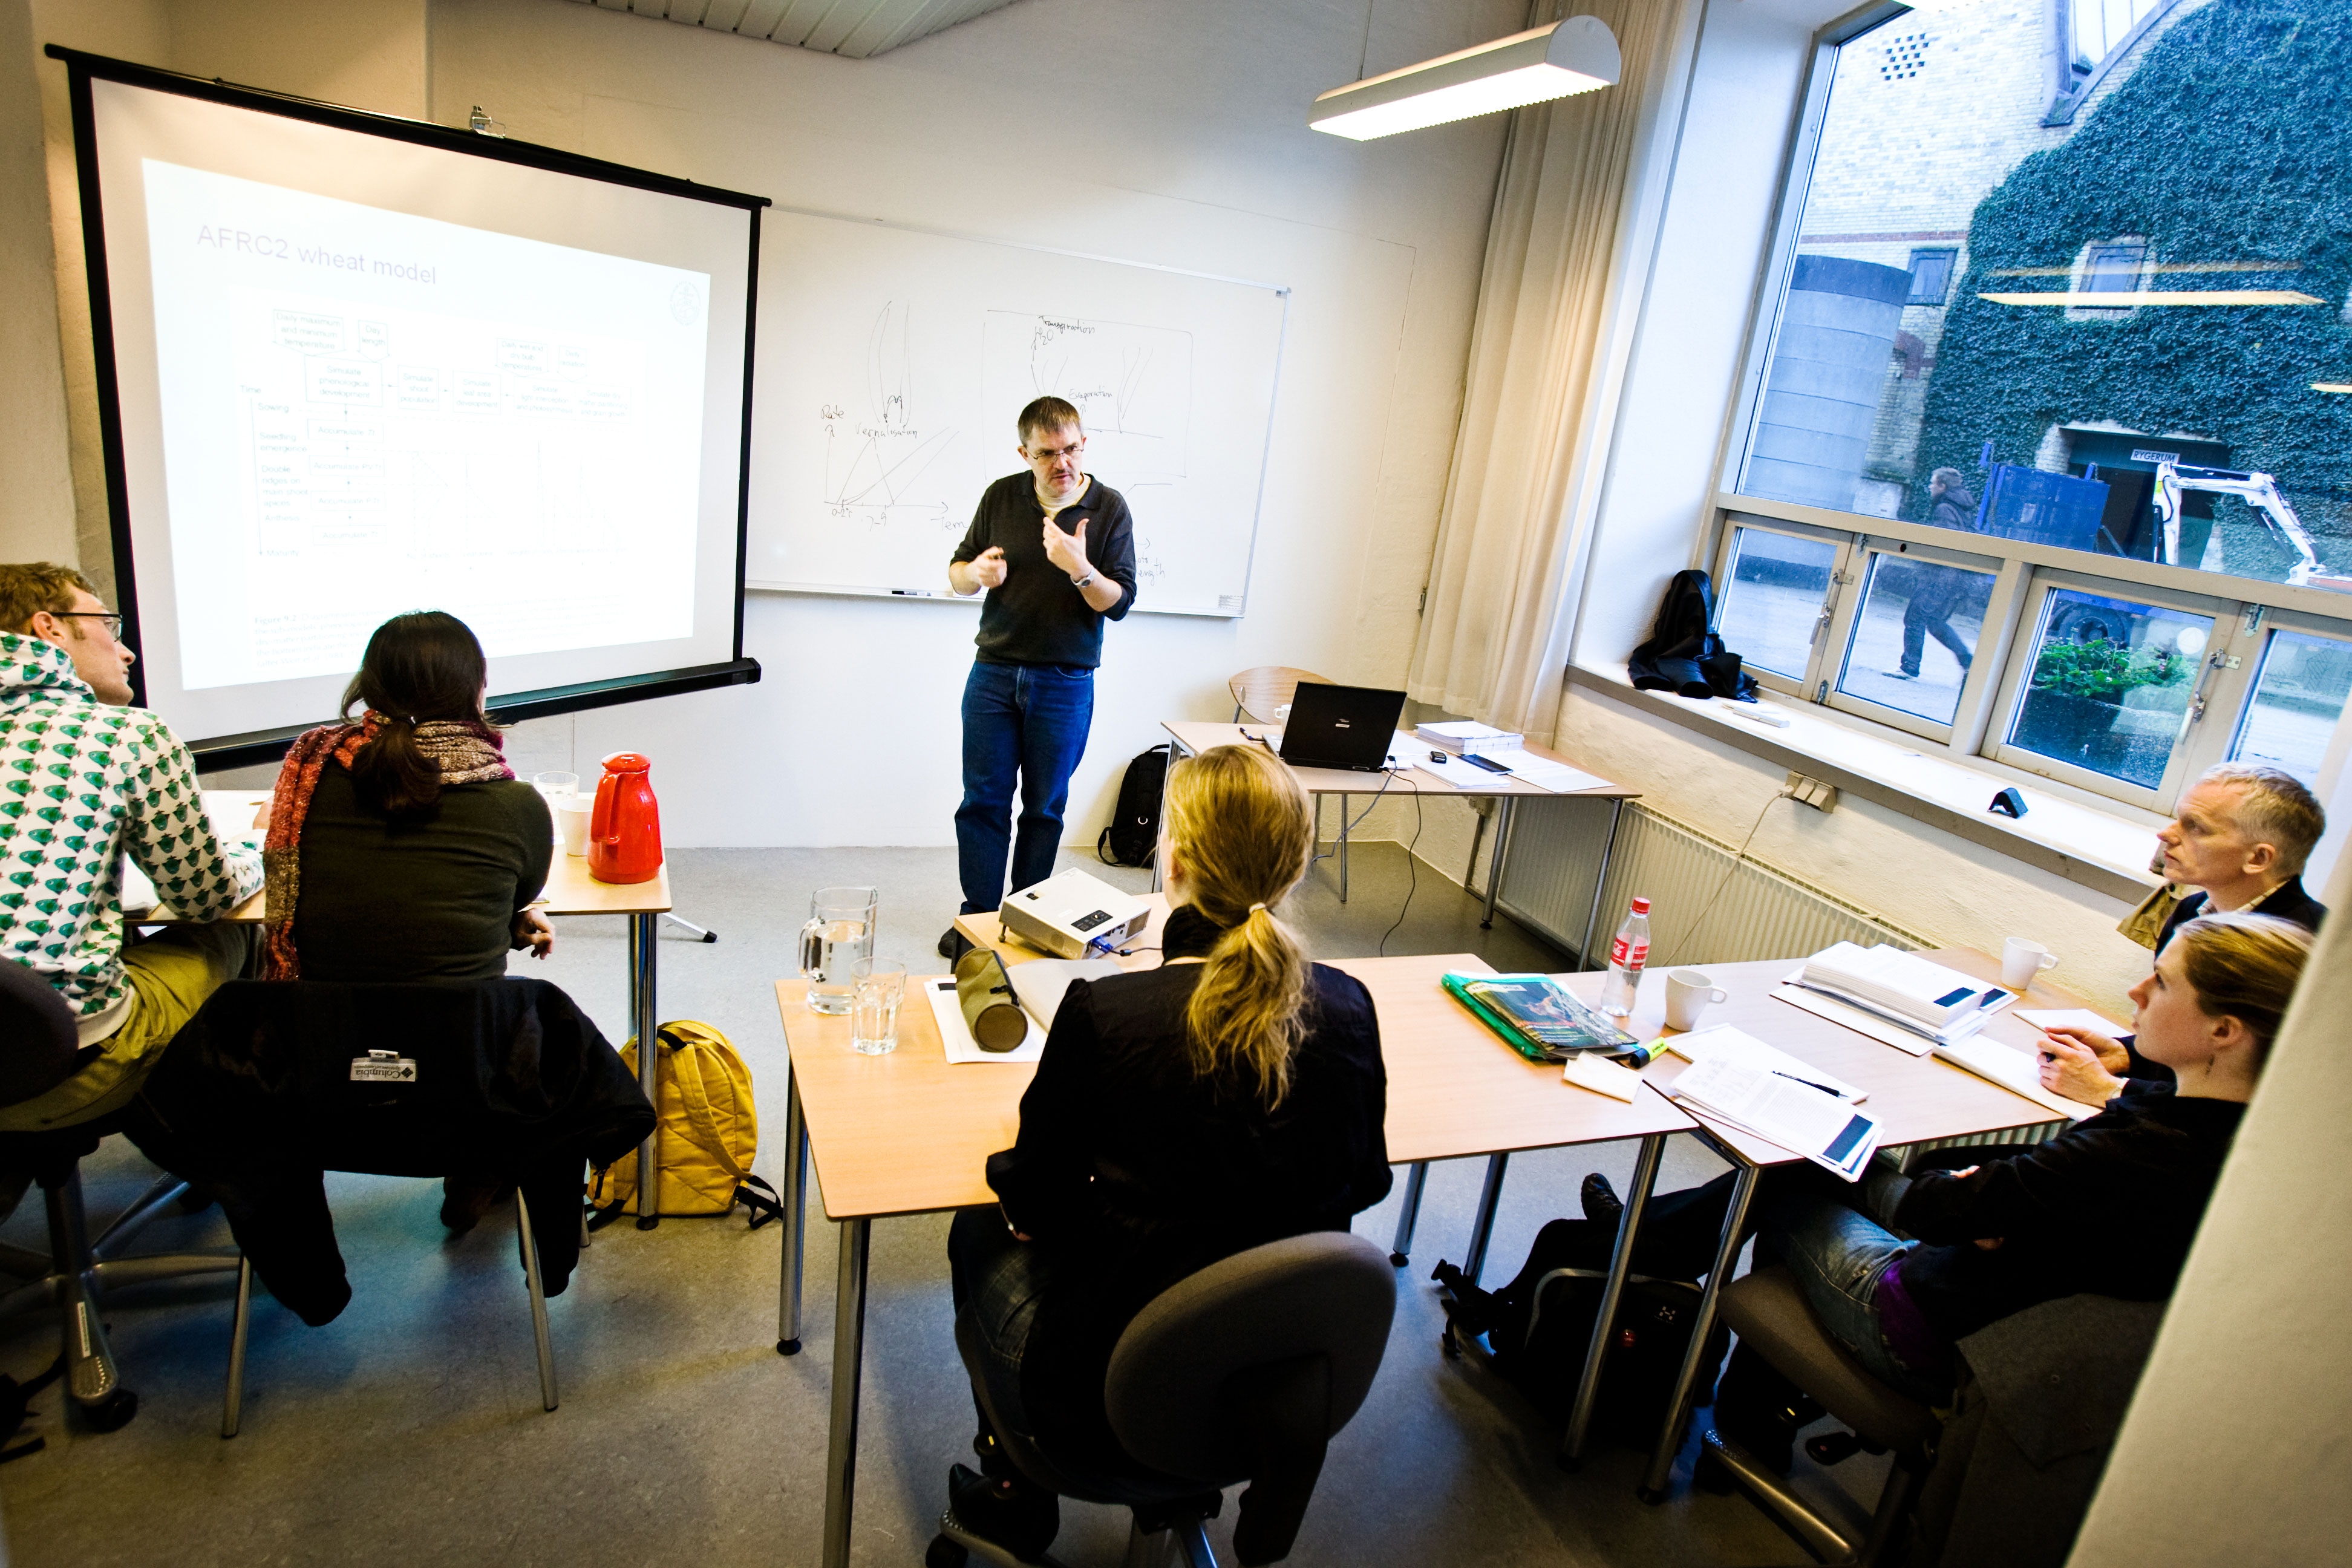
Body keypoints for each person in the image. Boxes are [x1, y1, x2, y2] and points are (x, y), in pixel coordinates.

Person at [1475, 910, 2309, 1471]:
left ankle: (1737, 1411)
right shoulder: (2242, 1141)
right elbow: (1998, 1199)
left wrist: (1969, 1202)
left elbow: (1933, 1212)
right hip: (1998, 1313)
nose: (2134, 996)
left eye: (2162, 984)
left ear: (2223, 1030)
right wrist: (1986, 1203)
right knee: (1844, 1164)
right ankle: (1648, 1240)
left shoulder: (2140, 1151)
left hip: (1920, 1320)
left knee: (1792, 1171)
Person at [941, 743, 1390, 1559]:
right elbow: (1363, 1184)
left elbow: (1032, 1204)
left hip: (1100, 1394)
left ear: (1173, 862)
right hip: (1271, 1377)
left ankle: (1015, 1491)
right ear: (1295, 870)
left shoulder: (1109, 1015)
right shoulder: (1351, 1007)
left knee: (975, 1230)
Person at [253, 611, 556, 1228]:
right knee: (536, 1024)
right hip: (465, 1077)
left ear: (369, 687)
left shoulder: (309, 771)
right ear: (477, 692)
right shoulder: (516, 804)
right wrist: (510, 917)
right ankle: (477, 1167)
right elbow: (515, 894)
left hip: (316, 1073)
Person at [0, 562, 261, 1130]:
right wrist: (254, 855)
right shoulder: (124, 734)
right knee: (240, 931)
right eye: (108, 626)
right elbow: (205, 899)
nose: (128, 652)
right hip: (59, 1067)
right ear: (49, 628)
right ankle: (223, 1147)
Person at [939, 396, 1137, 961]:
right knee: (982, 802)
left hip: (1065, 681)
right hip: (994, 674)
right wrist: (975, 574)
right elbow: (958, 573)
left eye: (1071, 449)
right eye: (1047, 453)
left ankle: (1027, 921)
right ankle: (979, 920)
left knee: (1044, 808)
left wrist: (1080, 568)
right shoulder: (1001, 496)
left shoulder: (1109, 508)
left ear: (1084, 444)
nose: (1062, 463)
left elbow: (1118, 603)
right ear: (1024, 453)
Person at [1890, 468, 1979, 681]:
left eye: (1933, 483)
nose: (1930, 487)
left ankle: (1910, 667)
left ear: (1942, 486)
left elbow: (1941, 543)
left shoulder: (1945, 509)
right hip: (1955, 577)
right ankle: (1968, 662)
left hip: (1939, 576)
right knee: (1935, 622)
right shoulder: (1962, 508)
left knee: (1915, 618)